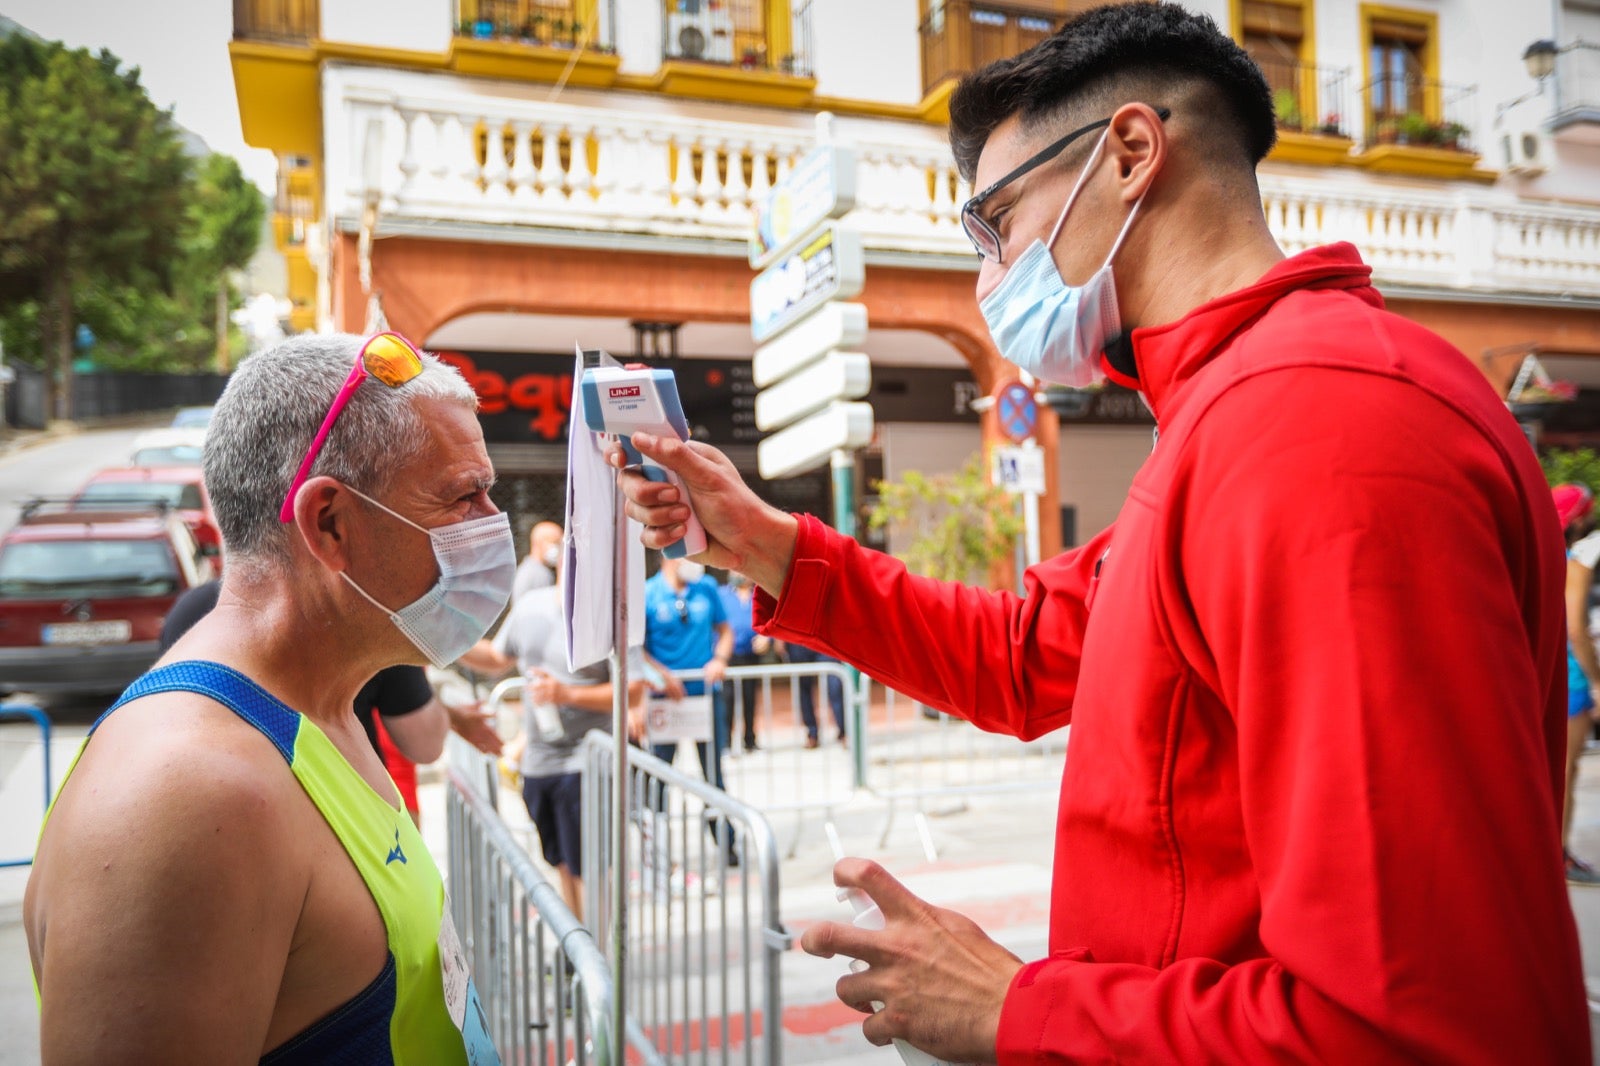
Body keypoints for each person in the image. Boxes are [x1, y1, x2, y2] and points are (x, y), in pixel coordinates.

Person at [609, 4, 1588, 1060]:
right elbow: (1026, 652)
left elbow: (1421, 1021)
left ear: (1129, 153)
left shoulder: (1318, 423)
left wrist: (1017, 1009)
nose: (990, 276)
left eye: (995, 223)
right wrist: (769, 547)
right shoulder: (1235, 408)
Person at [26, 331, 511, 1062]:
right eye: (464, 497)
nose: (492, 526)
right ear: (329, 523)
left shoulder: (323, 709)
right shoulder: (188, 794)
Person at [162, 577, 505, 827]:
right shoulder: (369, 615)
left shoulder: (190, 612)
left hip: (213, 826)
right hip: (346, 827)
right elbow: (423, 742)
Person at [458, 527, 646, 920]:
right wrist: (447, 639)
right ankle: (579, 944)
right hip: (539, 765)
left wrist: (566, 694)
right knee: (562, 863)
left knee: (590, 870)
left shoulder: (613, 614)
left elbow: (633, 691)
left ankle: (596, 949)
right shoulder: (531, 606)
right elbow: (497, 658)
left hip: (587, 765)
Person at [643, 555, 733, 787]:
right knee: (659, 772)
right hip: (664, 696)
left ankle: (716, 811)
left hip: (704, 692)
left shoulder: (706, 587)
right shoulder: (648, 592)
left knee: (713, 772)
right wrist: (662, 676)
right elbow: (635, 649)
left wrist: (719, 660)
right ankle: (658, 811)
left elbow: (725, 631)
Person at [1556, 483, 1600, 886]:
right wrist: (1598, 682)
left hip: (1548, 678)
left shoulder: (1541, 556)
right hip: (1572, 681)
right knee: (1564, 772)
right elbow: (1576, 629)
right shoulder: (1574, 564)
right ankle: (1559, 857)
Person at [717, 572, 764, 751]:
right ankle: (726, 741)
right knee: (727, 698)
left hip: (750, 654)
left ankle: (749, 739)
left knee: (749, 698)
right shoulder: (722, 594)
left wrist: (766, 638)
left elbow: (769, 619)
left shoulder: (758, 595)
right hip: (728, 656)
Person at [785, 640, 848, 749]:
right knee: (803, 688)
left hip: (824, 639)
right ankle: (812, 733)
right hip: (797, 640)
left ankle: (844, 731)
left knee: (835, 685)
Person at [513, 519, 564, 602]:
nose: (559, 548)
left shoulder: (526, 568)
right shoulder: (540, 574)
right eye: (556, 543)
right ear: (541, 542)